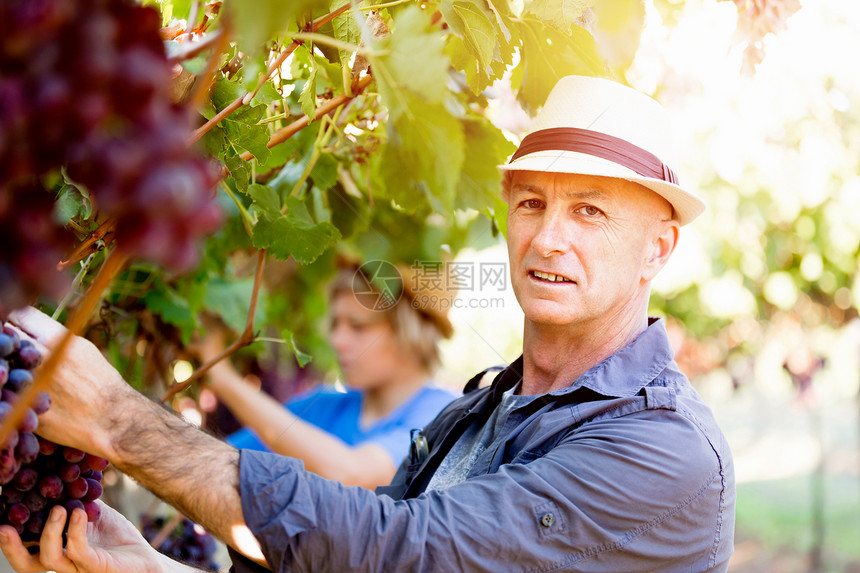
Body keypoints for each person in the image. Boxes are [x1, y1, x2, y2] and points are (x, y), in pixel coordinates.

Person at [0, 75, 735, 573]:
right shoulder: (476, 411)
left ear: (658, 250)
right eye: (531, 203)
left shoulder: (665, 453)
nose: (548, 238)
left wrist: (120, 421)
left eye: (590, 211)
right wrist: (149, 566)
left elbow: (404, 552)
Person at [194, 262, 458, 489]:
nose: (337, 340)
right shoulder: (320, 406)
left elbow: (353, 474)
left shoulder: (442, 414)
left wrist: (223, 377)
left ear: (411, 333)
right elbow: (213, 457)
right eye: (335, 324)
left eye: (357, 326)